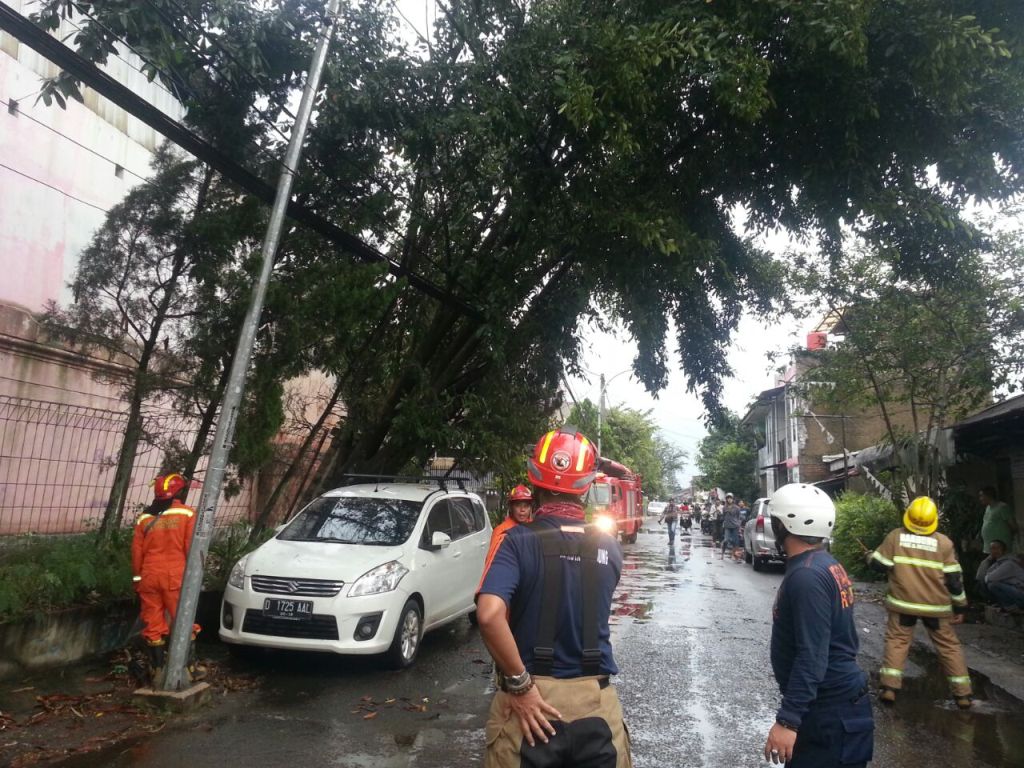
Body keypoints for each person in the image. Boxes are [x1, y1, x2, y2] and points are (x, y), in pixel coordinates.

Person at [476, 426, 632, 768]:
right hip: (596, 703)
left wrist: (520, 686)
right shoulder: (609, 546)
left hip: (531, 704)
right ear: (585, 487)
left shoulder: (515, 542)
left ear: (534, 481)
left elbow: (488, 614)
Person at [763, 483, 873, 768]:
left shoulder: (807, 576)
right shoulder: (824, 563)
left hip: (829, 713)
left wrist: (788, 720)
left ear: (782, 526)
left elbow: (812, 654)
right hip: (832, 707)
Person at [867, 496, 972, 708]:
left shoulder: (896, 537)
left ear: (909, 517)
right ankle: (963, 695)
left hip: (903, 604)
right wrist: (960, 606)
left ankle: (889, 689)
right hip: (937, 608)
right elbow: (954, 580)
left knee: (897, 642)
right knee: (949, 647)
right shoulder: (944, 543)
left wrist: (869, 556)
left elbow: (879, 565)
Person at [131, 473, 201, 686]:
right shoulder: (187, 514)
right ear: (179, 492)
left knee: (153, 622)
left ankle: (157, 671)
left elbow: (136, 552)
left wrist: (137, 579)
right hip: (176, 577)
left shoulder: (144, 518)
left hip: (149, 576)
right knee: (183, 620)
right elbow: (190, 549)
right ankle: (188, 669)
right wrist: (195, 577)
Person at [484, 485, 535, 572]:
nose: (522, 510)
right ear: (511, 507)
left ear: (530, 508)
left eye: (526, 506)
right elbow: (491, 562)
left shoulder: (535, 528)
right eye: (518, 505)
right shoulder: (501, 531)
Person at [978, 539, 1024, 612]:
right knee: (984, 584)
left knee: (993, 585)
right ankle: (1008, 605)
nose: (994, 551)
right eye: (992, 549)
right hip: (1015, 592)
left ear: (1004, 550)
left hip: (1021, 593)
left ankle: (1011, 606)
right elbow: (981, 576)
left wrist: (987, 577)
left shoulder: (1009, 563)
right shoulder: (998, 563)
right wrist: (987, 560)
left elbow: (990, 578)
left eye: (997, 548)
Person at [979, 486, 1017, 552]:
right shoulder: (988, 508)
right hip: (989, 546)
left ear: (988, 495)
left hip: (1001, 547)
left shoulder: (1002, 507)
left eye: (981, 496)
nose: (980, 499)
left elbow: (1013, 526)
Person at [721, 493, 743, 562]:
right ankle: (722, 553)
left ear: (733, 499)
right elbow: (723, 516)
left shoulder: (737, 508)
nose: (729, 499)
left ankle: (735, 555)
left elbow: (739, 517)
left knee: (735, 541)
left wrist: (739, 525)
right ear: (726, 499)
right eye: (728, 498)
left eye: (730, 498)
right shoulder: (724, 508)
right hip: (727, 526)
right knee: (726, 540)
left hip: (735, 526)